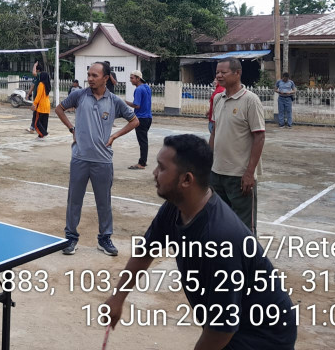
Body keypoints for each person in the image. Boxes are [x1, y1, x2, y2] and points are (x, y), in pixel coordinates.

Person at [103, 134, 296, 349]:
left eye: (162, 168)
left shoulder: (220, 239)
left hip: (263, 337)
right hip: (235, 325)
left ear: (187, 180)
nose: (154, 173)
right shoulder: (175, 207)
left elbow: (221, 330)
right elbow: (146, 252)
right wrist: (118, 297)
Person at [54, 62, 139, 256]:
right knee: (74, 200)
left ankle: (104, 238)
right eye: (89, 75)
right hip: (80, 158)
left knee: (104, 202)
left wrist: (114, 136)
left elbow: (135, 121)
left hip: (103, 161)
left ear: (106, 78)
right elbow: (59, 109)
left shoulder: (115, 101)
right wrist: (72, 129)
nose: (90, 79)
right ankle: (71, 238)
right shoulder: (79, 95)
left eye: (94, 75)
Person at [210, 58, 265, 235]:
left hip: (239, 176)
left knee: (244, 229)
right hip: (217, 173)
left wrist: (249, 173)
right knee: (220, 224)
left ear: (237, 73)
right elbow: (215, 132)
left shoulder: (250, 100)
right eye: (217, 72)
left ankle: (247, 254)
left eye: (223, 72)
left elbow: (259, 137)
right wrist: (207, 163)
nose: (219, 76)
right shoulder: (218, 98)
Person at [126, 70, 152, 169]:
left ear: (138, 78)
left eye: (132, 78)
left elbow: (136, 105)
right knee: (144, 140)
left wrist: (124, 102)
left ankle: (142, 163)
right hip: (148, 117)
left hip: (141, 118)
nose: (130, 80)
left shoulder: (138, 89)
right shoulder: (147, 87)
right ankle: (143, 160)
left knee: (142, 141)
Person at [32, 67, 51, 139]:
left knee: (37, 123)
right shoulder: (47, 85)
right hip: (47, 105)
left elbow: (38, 95)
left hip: (41, 105)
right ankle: (41, 136)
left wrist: (34, 103)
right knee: (44, 122)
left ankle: (44, 134)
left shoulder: (41, 84)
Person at [26, 60, 41, 133]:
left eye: (35, 69)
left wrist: (35, 65)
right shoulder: (36, 78)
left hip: (39, 98)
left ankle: (34, 128)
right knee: (36, 113)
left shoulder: (40, 76)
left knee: (37, 113)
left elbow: (34, 73)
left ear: (38, 70)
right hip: (36, 98)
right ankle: (34, 128)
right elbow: (32, 86)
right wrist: (28, 94)